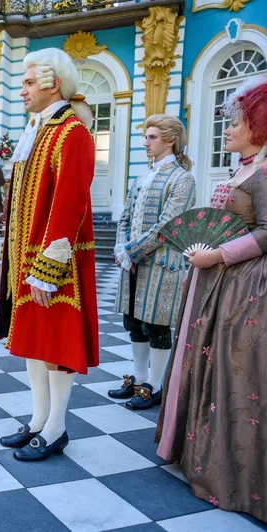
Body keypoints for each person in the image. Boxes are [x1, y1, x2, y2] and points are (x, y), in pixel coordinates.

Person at [156, 75, 267, 523]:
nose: (227, 129)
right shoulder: (243, 168)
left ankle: (234, 473)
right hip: (217, 282)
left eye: (235, 122)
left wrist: (218, 254)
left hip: (244, 289)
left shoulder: (264, 172)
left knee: (233, 372)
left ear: (258, 124)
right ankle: (194, 449)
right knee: (206, 363)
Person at [0, 48, 98, 461]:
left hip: (53, 260)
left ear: (54, 84)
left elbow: (71, 201)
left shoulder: (71, 131)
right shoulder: (38, 129)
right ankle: (38, 419)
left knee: (56, 345)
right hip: (26, 257)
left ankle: (56, 428)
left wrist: (48, 267)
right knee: (33, 341)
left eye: (29, 82)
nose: (22, 90)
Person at [111, 115, 196, 410]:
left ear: (170, 140)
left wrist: (131, 252)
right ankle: (138, 378)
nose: (146, 142)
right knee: (134, 323)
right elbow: (125, 217)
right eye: (146, 136)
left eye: (152, 137)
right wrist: (121, 247)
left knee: (156, 326)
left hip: (161, 265)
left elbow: (167, 226)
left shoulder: (182, 179)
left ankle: (155, 385)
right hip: (132, 264)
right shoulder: (142, 176)